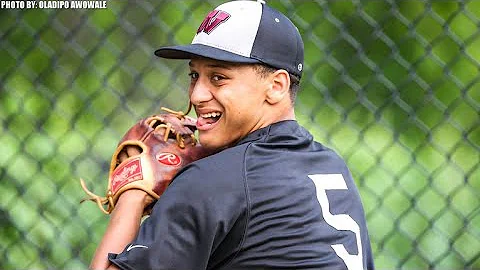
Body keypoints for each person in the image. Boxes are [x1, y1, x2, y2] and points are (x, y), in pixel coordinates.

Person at [90, 0, 375, 269]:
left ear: (276, 86)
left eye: (218, 77)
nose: (197, 94)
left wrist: (133, 194)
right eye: (194, 75)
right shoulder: (331, 166)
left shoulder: (212, 181)